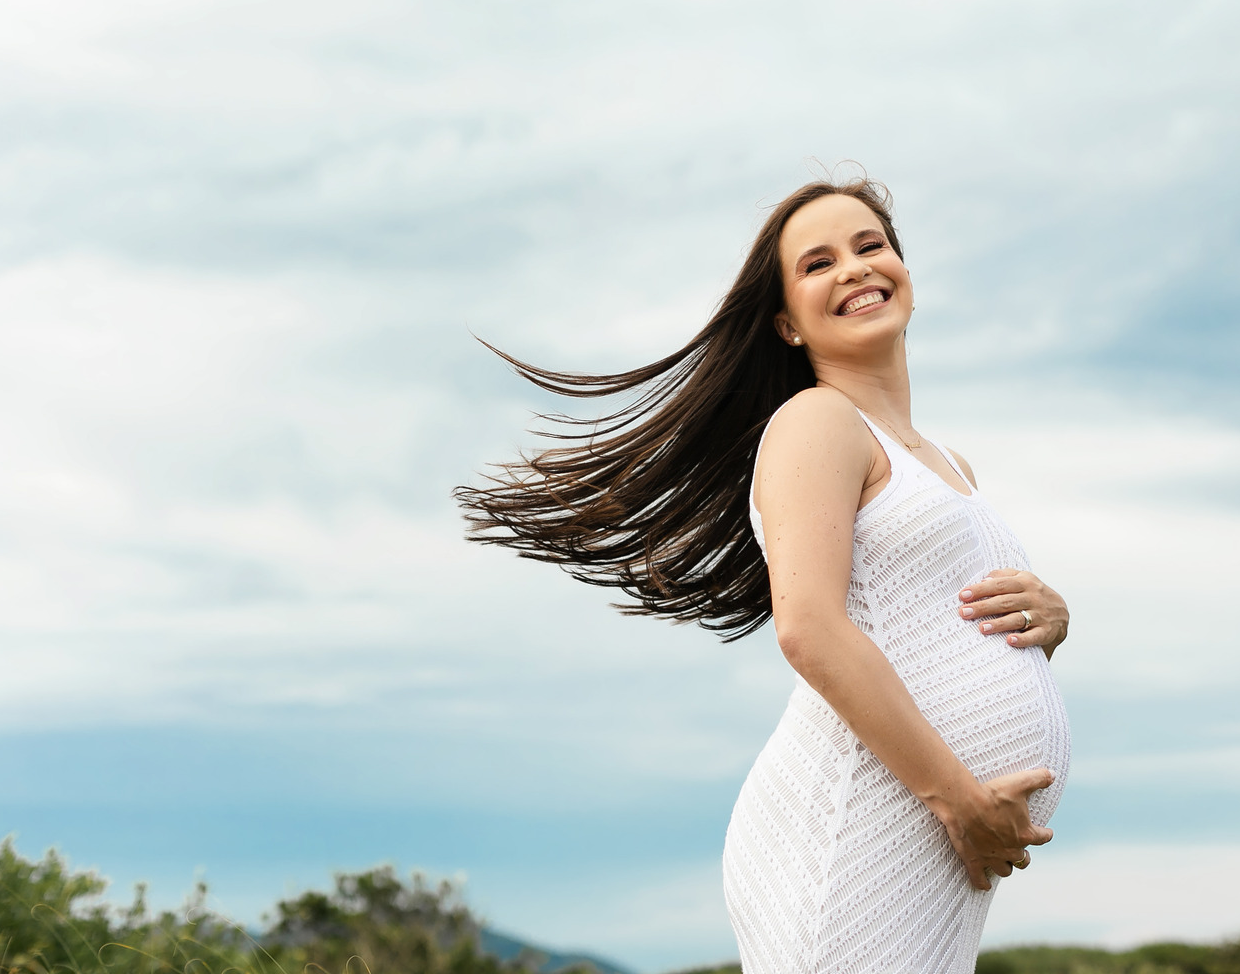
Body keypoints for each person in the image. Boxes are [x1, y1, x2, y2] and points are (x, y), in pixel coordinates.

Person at [456, 175, 1072, 974]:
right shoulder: (817, 422)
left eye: (870, 246)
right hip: (859, 824)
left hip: (932, 839)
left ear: (907, 278)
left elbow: (933, 628)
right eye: (817, 263)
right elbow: (809, 627)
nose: (853, 268)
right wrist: (957, 799)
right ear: (785, 323)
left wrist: (1046, 627)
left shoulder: (952, 465)